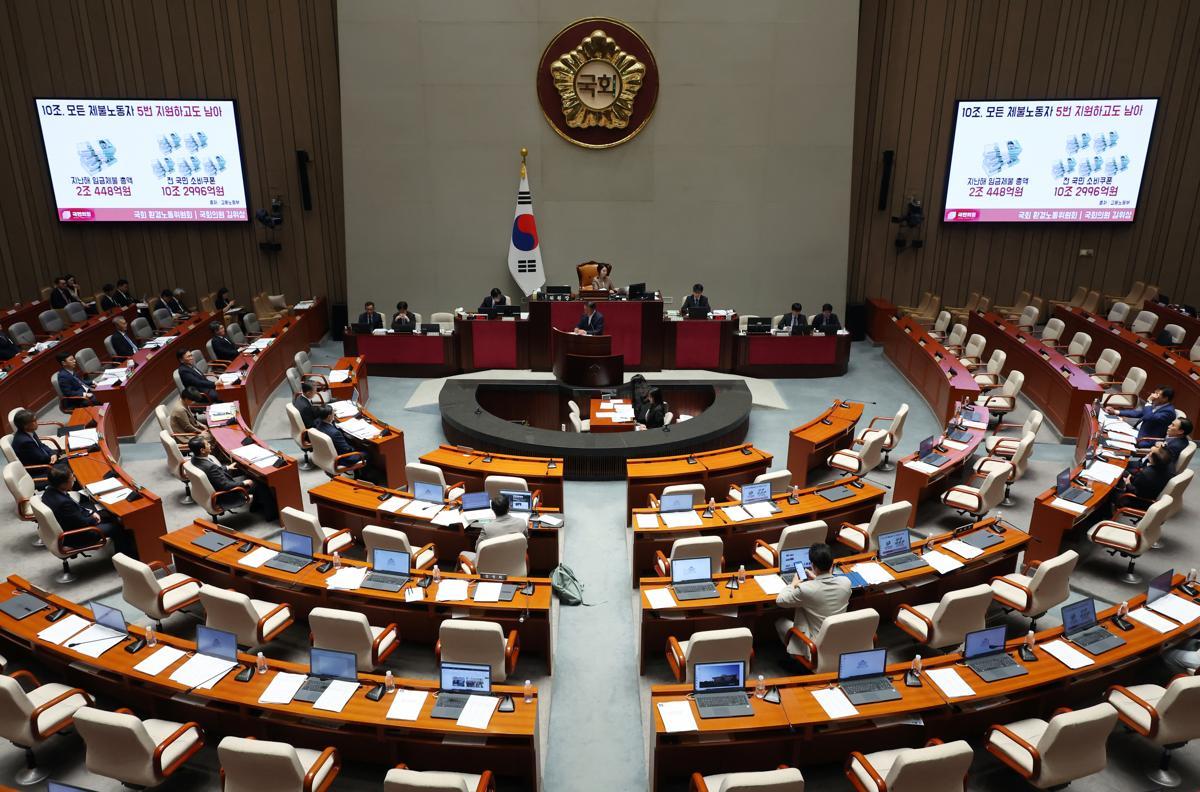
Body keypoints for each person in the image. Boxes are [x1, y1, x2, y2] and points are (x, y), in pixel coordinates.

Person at [42, 467, 137, 558]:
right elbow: (82, 523)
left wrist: (90, 512)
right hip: (78, 535)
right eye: (71, 478)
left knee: (106, 514)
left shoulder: (49, 491)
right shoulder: (64, 503)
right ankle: (126, 558)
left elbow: (74, 508)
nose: (74, 479)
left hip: (67, 525)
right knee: (118, 526)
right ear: (63, 484)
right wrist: (93, 519)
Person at [774, 542, 851, 641]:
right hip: (840, 639)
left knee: (780, 622)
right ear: (832, 564)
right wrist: (815, 578)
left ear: (813, 566)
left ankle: (794, 649)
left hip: (815, 644)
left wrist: (792, 584)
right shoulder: (846, 583)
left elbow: (780, 601)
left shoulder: (805, 589)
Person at [187, 436, 276, 519]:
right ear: (202, 450)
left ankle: (255, 506)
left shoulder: (195, 459)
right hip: (226, 494)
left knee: (246, 474)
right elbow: (226, 486)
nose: (210, 445)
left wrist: (227, 467)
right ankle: (271, 515)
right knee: (260, 484)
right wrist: (244, 483)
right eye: (207, 444)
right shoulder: (210, 467)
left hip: (215, 485)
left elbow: (212, 472)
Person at [461, 494, 528, 565]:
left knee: (462, 554)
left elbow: (477, 549)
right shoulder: (522, 523)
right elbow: (525, 545)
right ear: (509, 508)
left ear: (492, 509)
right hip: (515, 565)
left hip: (492, 565)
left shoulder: (487, 528)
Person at [1107, 385, 1176, 447]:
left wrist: (1149, 402)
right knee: (1110, 430)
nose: (1153, 395)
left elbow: (1148, 417)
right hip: (1137, 431)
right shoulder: (1158, 404)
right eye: (1155, 393)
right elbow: (1139, 413)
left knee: (1113, 440)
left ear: (1165, 398)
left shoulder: (1168, 412)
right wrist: (1116, 412)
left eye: (1157, 394)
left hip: (1145, 439)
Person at [12, 409, 64, 482]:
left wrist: (52, 453)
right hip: (40, 470)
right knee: (70, 466)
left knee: (70, 460)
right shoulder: (25, 442)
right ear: (25, 426)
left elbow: (41, 445)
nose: (37, 422)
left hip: (45, 462)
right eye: (34, 421)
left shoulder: (29, 431)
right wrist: (55, 456)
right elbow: (41, 458)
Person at [312, 405, 367, 470]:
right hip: (343, 458)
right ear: (329, 416)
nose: (334, 414)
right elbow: (347, 449)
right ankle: (365, 473)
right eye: (333, 413)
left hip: (327, 455)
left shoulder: (318, 423)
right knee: (367, 452)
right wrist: (355, 447)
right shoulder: (335, 433)